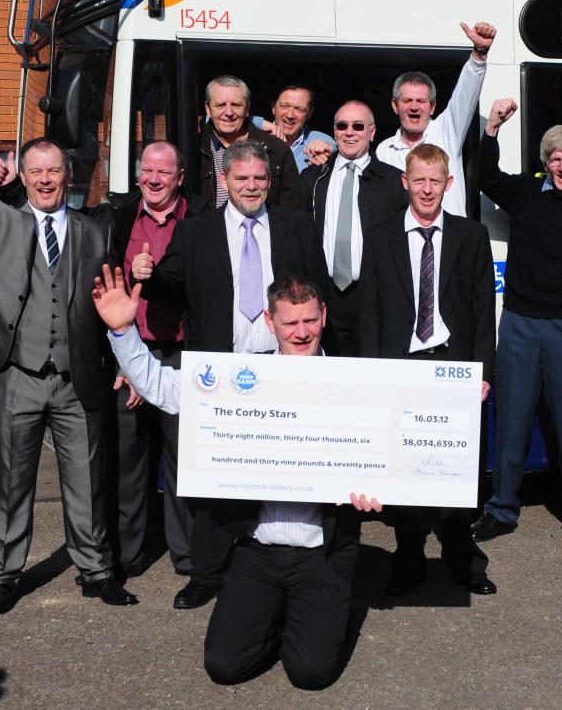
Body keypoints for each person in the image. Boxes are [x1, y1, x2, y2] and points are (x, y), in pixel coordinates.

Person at [92, 267, 380, 689]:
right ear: (269, 322)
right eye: (289, 322)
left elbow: (389, 457)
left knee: (311, 673)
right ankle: (282, 615)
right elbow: (161, 387)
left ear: (324, 314)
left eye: (309, 320)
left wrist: (376, 489)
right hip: (257, 552)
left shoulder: (358, 383)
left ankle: (322, 615)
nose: (301, 332)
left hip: (321, 555)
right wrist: (122, 333)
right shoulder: (242, 378)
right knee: (224, 667)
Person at [0, 81, 136, 613]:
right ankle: (4, 576)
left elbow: (112, 307)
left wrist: (126, 364)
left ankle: (95, 568)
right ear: (26, 177)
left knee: (86, 480)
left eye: (53, 170)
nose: (44, 179)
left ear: (67, 175)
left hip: (77, 376)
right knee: (12, 481)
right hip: (15, 376)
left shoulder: (93, 232)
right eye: (35, 171)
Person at [0, 140, 208, 584]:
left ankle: (189, 562)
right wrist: (120, 362)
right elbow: (40, 221)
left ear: (180, 177)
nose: (154, 178)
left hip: (182, 353)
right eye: (147, 169)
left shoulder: (202, 218)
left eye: (164, 172)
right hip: (130, 353)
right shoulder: (116, 216)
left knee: (186, 463)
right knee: (126, 465)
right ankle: (124, 561)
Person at [132, 138, 330, 609]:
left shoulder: (297, 226)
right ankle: (209, 573)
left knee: (285, 469)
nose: (252, 186)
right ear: (224, 181)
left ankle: (286, 562)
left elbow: (320, 297)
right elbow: (170, 289)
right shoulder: (196, 232)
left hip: (284, 368)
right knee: (217, 477)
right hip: (221, 372)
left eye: (260, 178)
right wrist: (147, 273)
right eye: (241, 179)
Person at [472, 99, 562, 549]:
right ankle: (501, 510)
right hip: (519, 322)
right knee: (511, 419)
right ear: (546, 163)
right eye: (555, 158)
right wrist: (491, 130)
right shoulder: (526, 193)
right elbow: (484, 177)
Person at [360, 143, 495, 596]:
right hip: (401, 367)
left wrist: (483, 372)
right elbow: (370, 311)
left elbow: (482, 313)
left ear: (448, 184)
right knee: (405, 469)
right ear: (405, 181)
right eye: (418, 179)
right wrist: (374, 377)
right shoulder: (380, 237)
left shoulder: (470, 236)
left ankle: (461, 558)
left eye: (435, 181)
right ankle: (409, 559)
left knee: (455, 469)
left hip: (452, 366)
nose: (426, 189)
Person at [300, 100, 409, 355]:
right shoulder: (314, 177)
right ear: (335, 131)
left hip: (372, 295)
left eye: (358, 126)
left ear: (372, 132)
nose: (350, 132)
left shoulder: (392, 181)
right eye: (342, 125)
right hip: (324, 294)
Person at [376, 21, 496, 218]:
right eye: (407, 101)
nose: (414, 106)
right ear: (395, 106)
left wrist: (479, 53)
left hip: (447, 241)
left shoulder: (447, 131)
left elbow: (465, 94)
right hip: (402, 243)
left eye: (421, 101)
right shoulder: (383, 150)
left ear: (432, 107)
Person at [200, 75, 304, 210]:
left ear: (247, 108)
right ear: (208, 109)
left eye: (236, 105)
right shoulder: (193, 149)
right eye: (220, 105)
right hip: (210, 230)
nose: (229, 112)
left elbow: (293, 209)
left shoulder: (277, 149)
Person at [269, 85, 335, 171]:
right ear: (273, 108)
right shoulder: (255, 136)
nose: (290, 115)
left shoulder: (320, 140)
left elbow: (345, 150)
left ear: (309, 114)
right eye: (284, 106)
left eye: (299, 109)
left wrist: (332, 150)